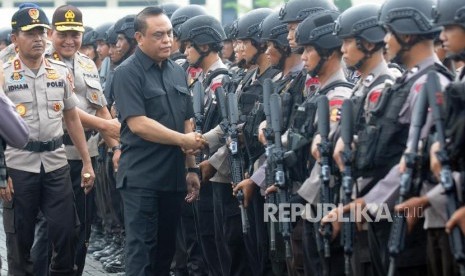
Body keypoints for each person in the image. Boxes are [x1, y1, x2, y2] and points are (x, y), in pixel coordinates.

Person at [111, 6, 205, 275]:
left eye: (170, 34)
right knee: (142, 254)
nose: (167, 40)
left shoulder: (177, 71)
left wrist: (191, 167)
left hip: (173, 179)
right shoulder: (127, 72)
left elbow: (187, 118)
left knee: (166, 255)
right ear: (139, 38)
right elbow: (138, 124)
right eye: (158, 35)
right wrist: (182, 139)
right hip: (142, 179)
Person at [2, 5, 95, 275]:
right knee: (20, 239)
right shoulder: (3, 74)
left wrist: (87, 162)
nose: (39, 38)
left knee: (67, 230)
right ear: (15, 38)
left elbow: (72, 119)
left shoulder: (59, 72)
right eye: (31, 33)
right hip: (19, 166)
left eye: (42, 32)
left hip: (56, 165)